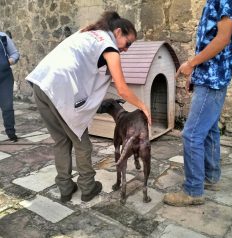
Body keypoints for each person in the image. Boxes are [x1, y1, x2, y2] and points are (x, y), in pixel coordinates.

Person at [26, 11, 151, 203]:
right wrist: (143, 106)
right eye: (128, 43)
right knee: (82, 143)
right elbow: (123, 90)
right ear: (118, 32)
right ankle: (87, 187)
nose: (127, 49)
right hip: (59, 89)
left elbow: (94, 69)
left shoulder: (88, 33)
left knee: (60, 141)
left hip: (40, 84)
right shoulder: (110, 46)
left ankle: (65, 189)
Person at [163, 0, 232, 206]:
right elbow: (207, 40)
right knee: (209, 130)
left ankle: (193, 190)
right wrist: (195, 72)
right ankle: (211, 177)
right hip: (207, 76)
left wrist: (191, 64)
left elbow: (223, 38)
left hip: (213, 79)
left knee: (192, 134)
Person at [0, 31, 20, 142]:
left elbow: (15, 54)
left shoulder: (2, 36)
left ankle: (11, 133)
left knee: (7, 107)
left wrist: (7, 62)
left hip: (4, 78)